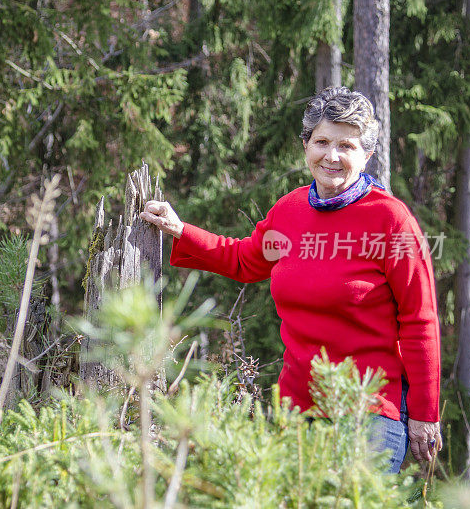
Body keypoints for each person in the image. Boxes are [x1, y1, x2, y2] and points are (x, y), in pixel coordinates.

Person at [139, 87, 441, 473]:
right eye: (322, 142)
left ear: (366, 155)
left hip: (369, 414)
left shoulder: (392, 221)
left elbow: (420, 321)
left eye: (346, 146)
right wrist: (180, 230)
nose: (332, 156)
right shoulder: (290, 210)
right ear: (306, 146)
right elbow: (244, 259)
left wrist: (425, 414)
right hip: (298, 410)